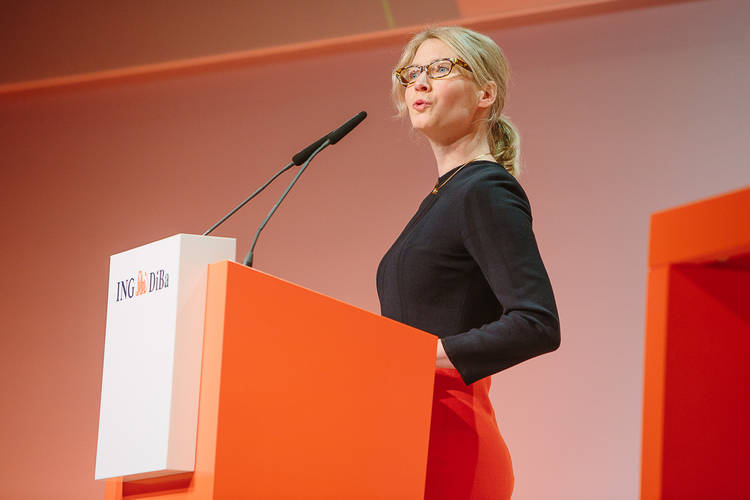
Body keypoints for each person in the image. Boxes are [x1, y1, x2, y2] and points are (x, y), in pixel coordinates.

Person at [376, 26, 560, 500]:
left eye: (440, 69)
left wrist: (414, 356)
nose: (419, 82)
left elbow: (537, 323)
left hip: (450, 442)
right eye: (411, 73)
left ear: (485, 94)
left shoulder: (484, 189)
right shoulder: (446, 195)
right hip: (408, 434)